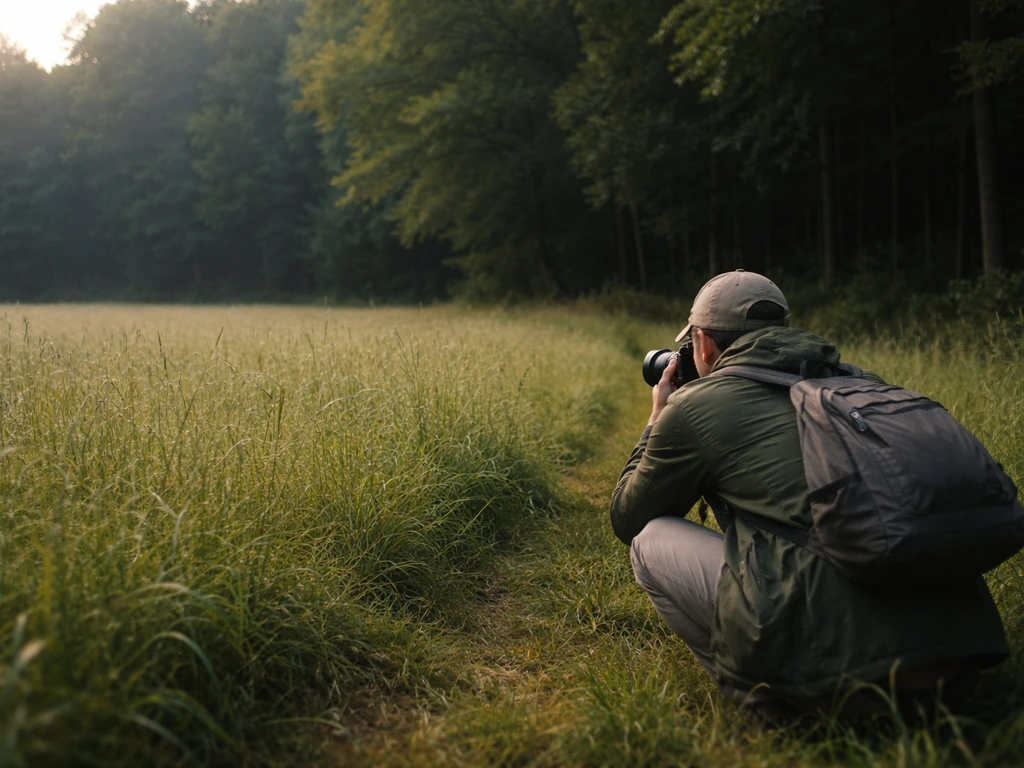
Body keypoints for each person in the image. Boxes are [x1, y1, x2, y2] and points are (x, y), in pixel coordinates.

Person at [610, 269, 1009, 716]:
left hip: (857, 685)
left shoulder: (697, 406)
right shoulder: (857, 382)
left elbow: (629, 517)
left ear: (702, 343)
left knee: (650, 542)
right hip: (957, 667)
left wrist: (658, 416)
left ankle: (775, 697)